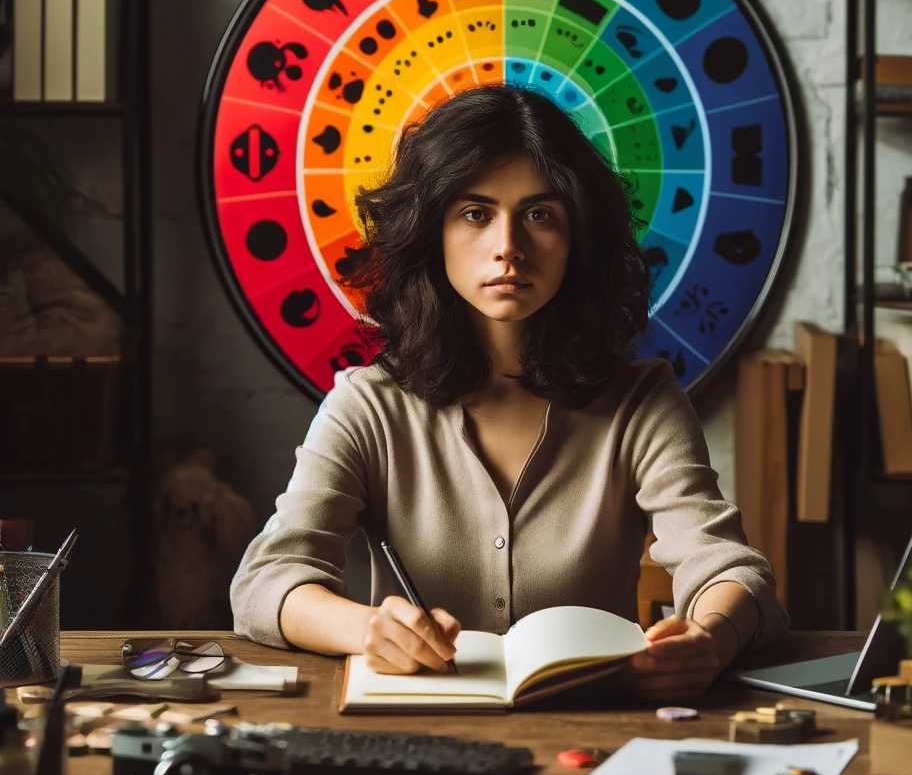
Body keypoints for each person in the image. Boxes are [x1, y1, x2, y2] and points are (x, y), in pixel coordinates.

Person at [231, 85, 788, 702]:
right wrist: (367, 628)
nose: (508, 247)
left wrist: (709, 637)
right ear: (431, 231)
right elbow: (265, 582)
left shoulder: (641, 401)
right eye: (476, 214)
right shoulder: (369, 406)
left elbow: (730, 568)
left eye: (540, 214)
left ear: (578, 238)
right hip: (416, 736)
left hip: (593, 731)